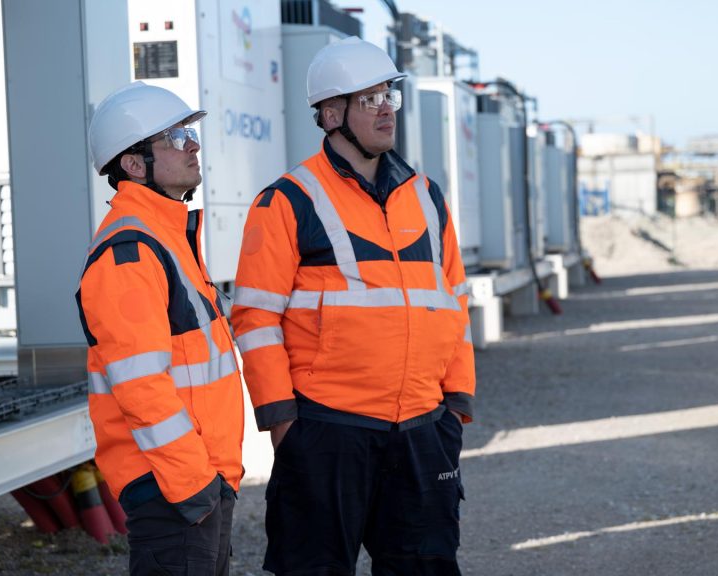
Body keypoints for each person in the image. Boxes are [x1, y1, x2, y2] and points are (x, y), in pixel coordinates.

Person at [231, 36, 476, 575]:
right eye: (370, 99)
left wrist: (455, 407)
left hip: (422, 430)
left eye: (390, 94)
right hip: (326, 432)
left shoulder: (427, 197)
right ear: (330, 113)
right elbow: (255, 319)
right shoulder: (287, 201)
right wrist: (282, 424)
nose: (386, 108)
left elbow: (454, 303)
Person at [77, 81, 243, 575]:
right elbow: (140, 387)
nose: (192, 144)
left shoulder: (166, 238)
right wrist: (194, 485)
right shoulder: (129, 253)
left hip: (198, 480)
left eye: (188, 132)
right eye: (173, 136)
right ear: (133, 164)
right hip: (173, 485)